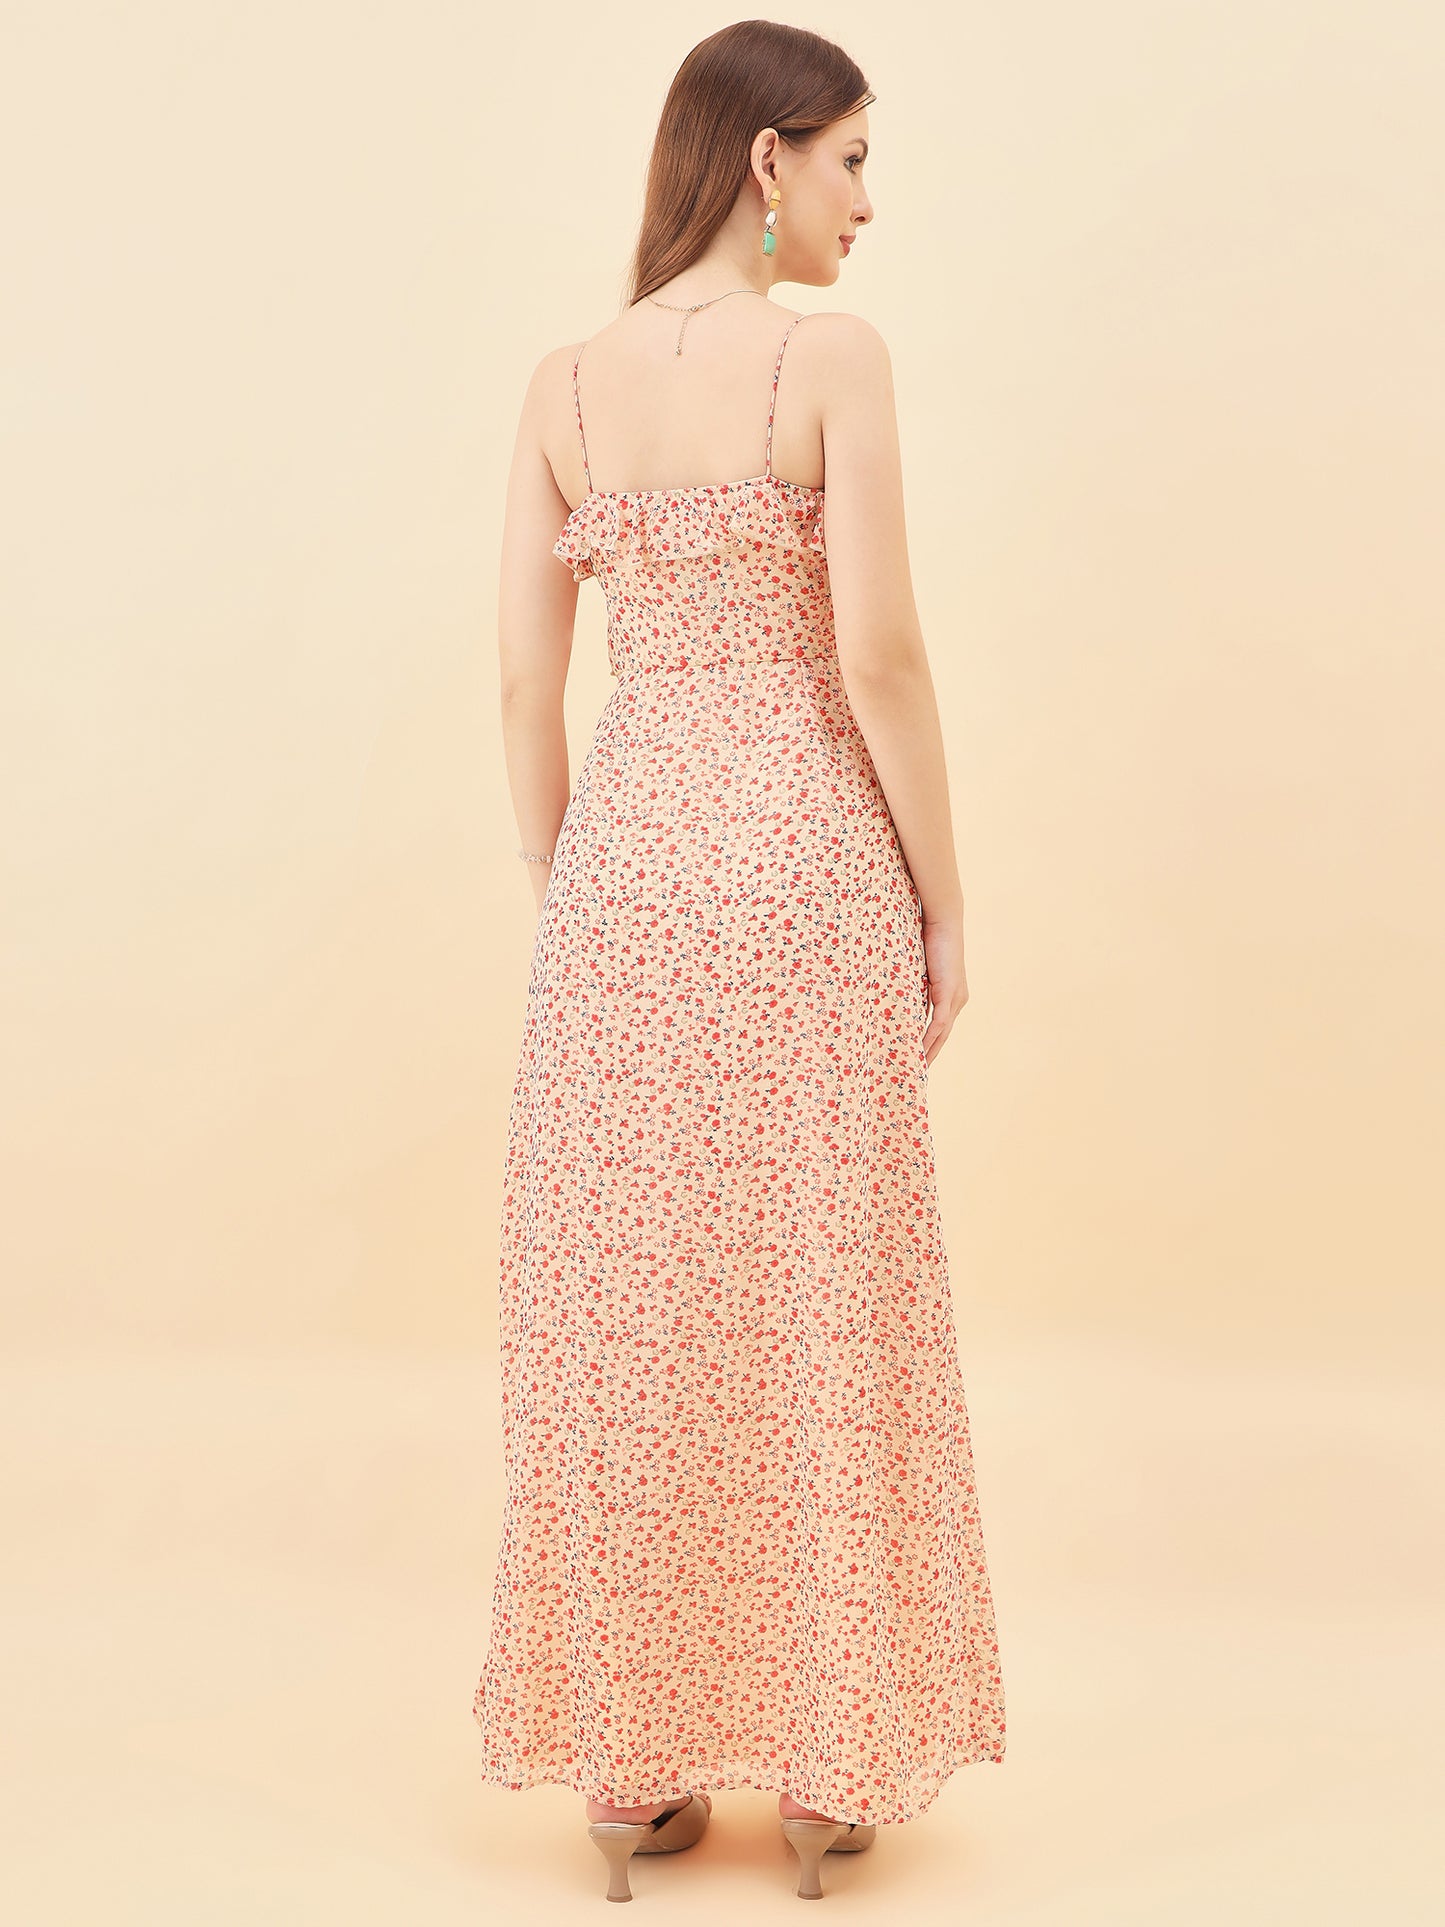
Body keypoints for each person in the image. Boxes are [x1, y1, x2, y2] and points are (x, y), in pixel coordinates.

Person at [472, 21, 1006, 1902]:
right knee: (819, 1300)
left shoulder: (563, 385)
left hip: (623, 878)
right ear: (766, 160)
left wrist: (573, 884)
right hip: (804, 876)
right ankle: (830, 1770)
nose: (869, 200)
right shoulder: (827, 361)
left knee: (629, 1314)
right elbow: (879, 656)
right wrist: (944, 899)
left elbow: (525, 683)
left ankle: (628, 1775)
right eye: (852, 158)